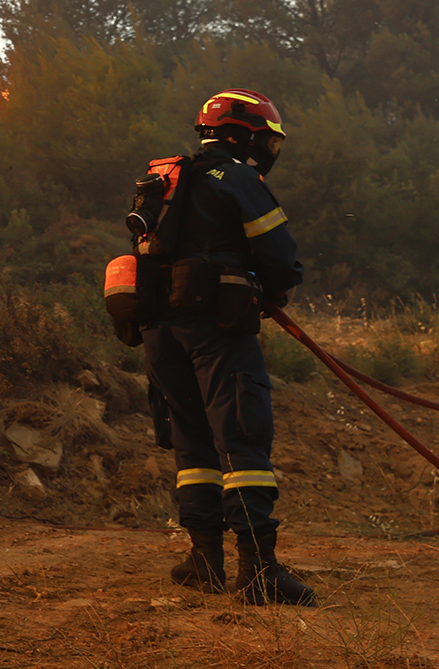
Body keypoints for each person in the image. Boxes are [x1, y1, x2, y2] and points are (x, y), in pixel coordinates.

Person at [140, 90, 314, 606]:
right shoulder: (239, 179)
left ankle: (204, 561)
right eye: (268, 141)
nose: (270, 152)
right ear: (245, 136)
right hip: (216, 331)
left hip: (159, 333)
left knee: (193, 444)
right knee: (243, 441)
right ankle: (260, 572)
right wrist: (272, 287)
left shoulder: (164, 179)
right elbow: (282, 259)